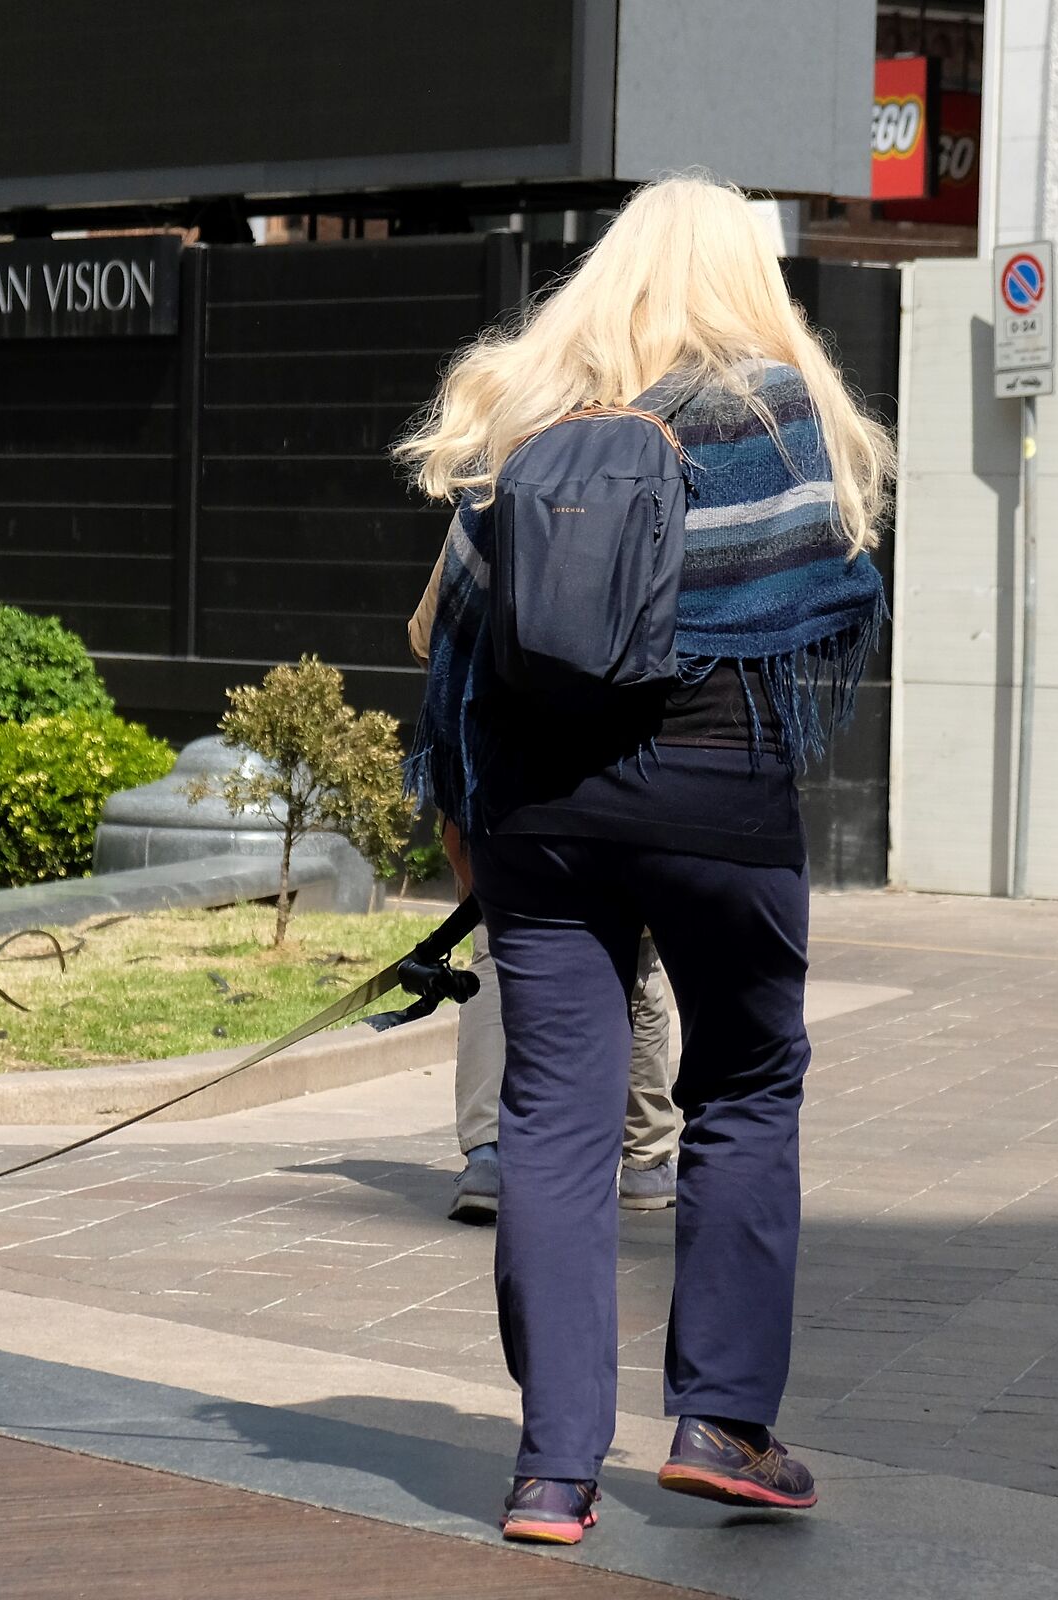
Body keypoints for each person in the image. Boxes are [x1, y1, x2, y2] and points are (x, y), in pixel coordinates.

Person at [399, 174, 892, 1542]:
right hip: (721, 796)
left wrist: (464, 817)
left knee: (554, 1124)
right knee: (745, 1079)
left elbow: (446, 635)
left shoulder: (529, 407)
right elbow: (832, 598)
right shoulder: (778, 414)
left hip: (540, 815)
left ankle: (553, 1472)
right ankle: (724, 1424)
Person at [409, 578, 682, 1222]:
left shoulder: (496, 496)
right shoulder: (675, 490)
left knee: (497, 957)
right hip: (635, 772)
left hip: (513, 776)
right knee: (639, 969)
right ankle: (646, 1160)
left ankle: (490, 1156)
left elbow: (427, 635)